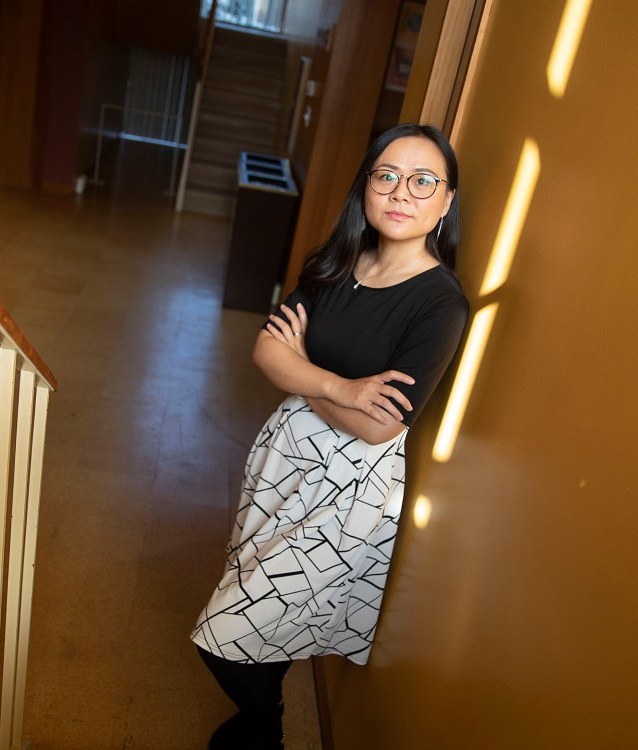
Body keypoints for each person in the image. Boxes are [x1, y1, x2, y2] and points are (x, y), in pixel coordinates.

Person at [191, 123, 469, 749]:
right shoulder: (339, 262)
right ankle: (257, 727)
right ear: (367, 188)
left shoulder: (439, 304)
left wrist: (305, 376)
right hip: (285, 463)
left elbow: (380, 426)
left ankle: (266, 731)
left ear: (446, 201)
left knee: (228, 639)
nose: (402, 193)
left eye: (424, 181)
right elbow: (267, 350)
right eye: (386, 176)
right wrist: (343, 387)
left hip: (347, 491)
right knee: (265, 606)